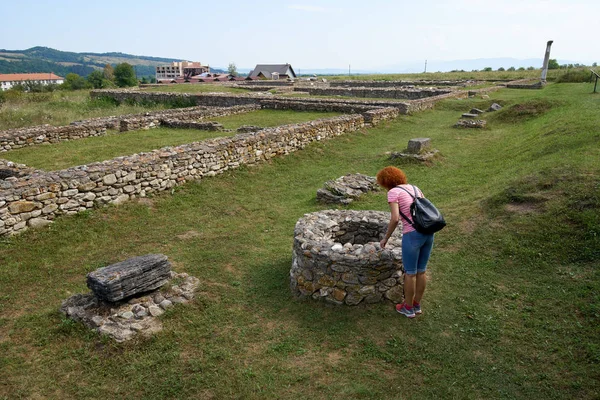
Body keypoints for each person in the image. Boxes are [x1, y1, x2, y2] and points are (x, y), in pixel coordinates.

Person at [376, 166, 435, 318]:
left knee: (410, 273)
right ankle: (417, 304)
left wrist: (386, 238)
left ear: (385, 181)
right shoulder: (415, 188)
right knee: (421, 270)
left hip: (412, 235)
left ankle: (407, 308)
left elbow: (395, 218)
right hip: (428, 232)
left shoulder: (393, 192)